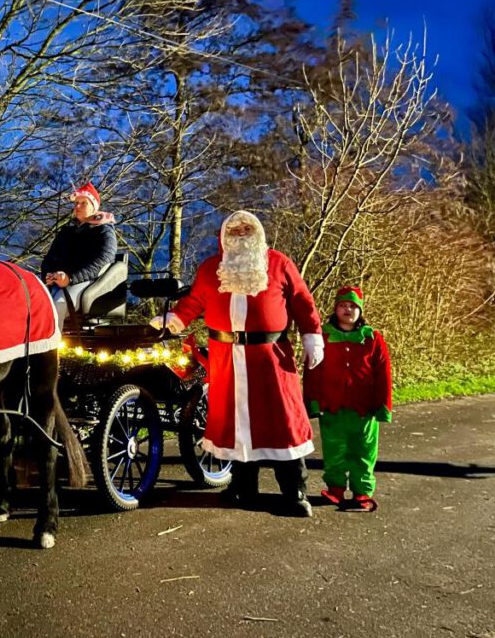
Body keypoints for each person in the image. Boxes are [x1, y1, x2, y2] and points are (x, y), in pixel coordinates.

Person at [151, 210, 325, 517]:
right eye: (235, 229)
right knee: (237, 423)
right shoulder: (211, 270)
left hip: (270, 358)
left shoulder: (279, 264)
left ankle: (295, 492)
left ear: (257, 232)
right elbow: (194, 301)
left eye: (247, 228)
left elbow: (301, 300)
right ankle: (243, 488)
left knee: (282, 420)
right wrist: (175, 319)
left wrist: (312, 335)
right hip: (227, 358)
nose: (241, 233)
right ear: (224, 235)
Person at [304, 286, 392, 512]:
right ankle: (335, 489)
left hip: (364, 408)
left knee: (364, 451)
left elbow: (383, 373)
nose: (348, 310)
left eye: (353, 306)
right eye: (343, 305)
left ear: (360, 311)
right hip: (331, 406)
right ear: (335, 309)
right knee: (334, 450)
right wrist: (312, 401)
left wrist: (383, 404)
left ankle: (362, 493)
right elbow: (312, 370)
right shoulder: (323, 337)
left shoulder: (372, 338)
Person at [40, 182, 117, 328]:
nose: (77, 207)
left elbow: (103, 260)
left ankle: (50, 350)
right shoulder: (66, 231)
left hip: (89, 283)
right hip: (59, 281)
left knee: (58, 307)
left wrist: (71, 278)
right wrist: (48, 274)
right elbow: (50, 258)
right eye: (76, 203)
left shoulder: (104, 230)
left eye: (83, 203)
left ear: (94, 206)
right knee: (37, 305)